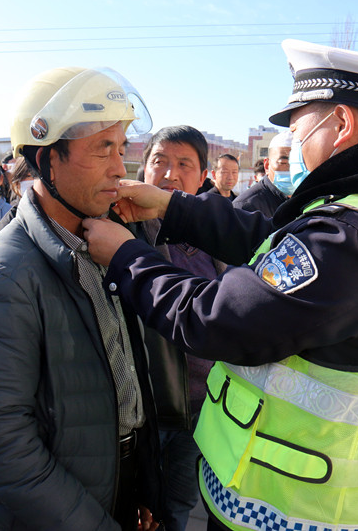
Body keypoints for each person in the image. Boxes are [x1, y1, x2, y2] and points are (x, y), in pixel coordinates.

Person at [83, 39, 358, 531]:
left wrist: (125, 257)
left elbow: (217, 320)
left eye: (298, 130)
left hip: (294, 505)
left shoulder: (350, 238)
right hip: (338, 496)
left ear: (340, 123)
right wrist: (171, 206)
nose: (295, 147)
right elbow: (274, 242)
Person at [0, 66, 162, 531]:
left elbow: (128, 381)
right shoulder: (3, 277)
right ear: (47, 158)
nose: (119, 168)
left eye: (122, 148)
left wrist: (144, 485)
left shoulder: (106, 244)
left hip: (114, 482)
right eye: (102, 148)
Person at [138, 125, 226, 531]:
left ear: (202, 176)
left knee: (178, 506)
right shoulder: (123, 232)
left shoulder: (217, 236)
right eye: (160, 161)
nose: (170, 174)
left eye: (184, 164)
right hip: (144, 409)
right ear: (144, 169)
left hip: (201, 406)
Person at [233, 131, 292, 218]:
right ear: (267, 165)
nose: (291, 169)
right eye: (283, 163)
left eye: (297, 164)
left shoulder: (305, 200)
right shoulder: (245, 207)